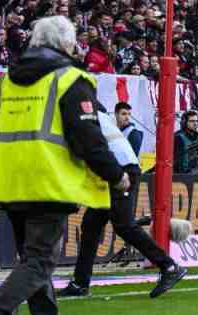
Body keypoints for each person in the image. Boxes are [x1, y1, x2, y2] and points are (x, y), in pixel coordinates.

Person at [0, 16, 129, 315]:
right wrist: (115, 174)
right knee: (40, 261)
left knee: (32, 260)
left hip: (9, 183)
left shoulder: (3, 83)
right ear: (66, 44)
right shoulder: (71, 79)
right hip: (48, 180)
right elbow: (88, 138)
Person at [60, 102, 187, 298]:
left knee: (123, 225)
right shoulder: (94, 117)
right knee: (91, 224)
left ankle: (169, 266)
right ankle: (80, 283)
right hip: (113, 170)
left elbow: (84, 154)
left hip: (119, 171)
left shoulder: (81, 120)